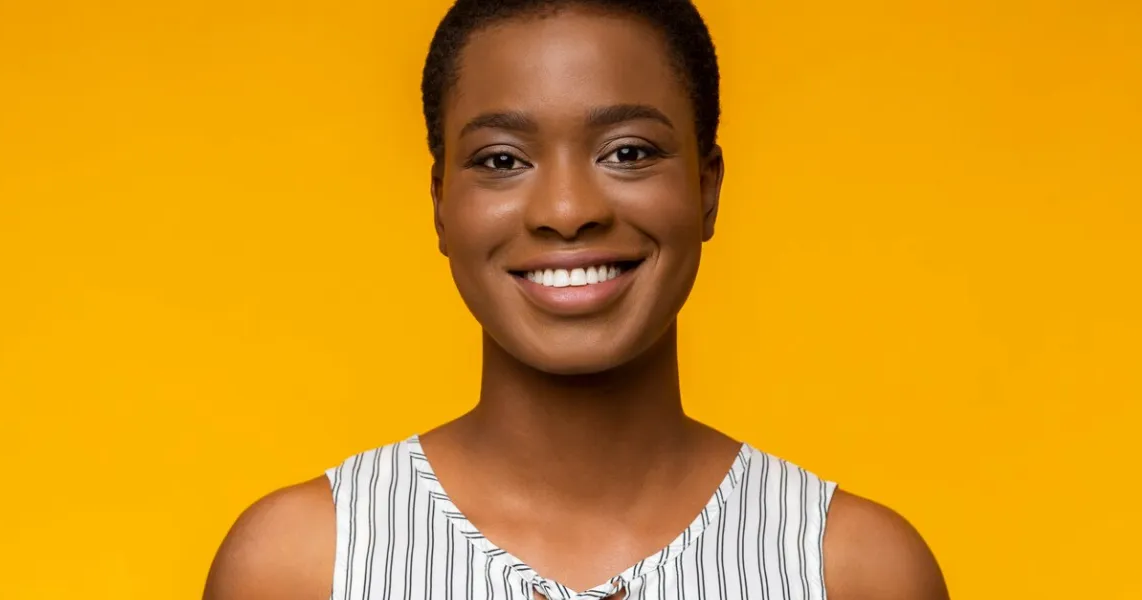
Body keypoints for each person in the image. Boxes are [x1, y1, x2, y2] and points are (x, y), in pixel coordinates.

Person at [204, 1, 949, 598]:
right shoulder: (302, 567)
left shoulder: (855, 572)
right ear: (440, 203)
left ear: (707, 187)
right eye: (502, 160)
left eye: (628, 152)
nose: (567, 210)